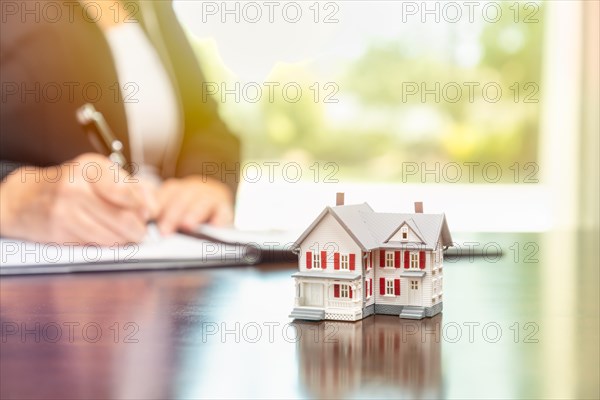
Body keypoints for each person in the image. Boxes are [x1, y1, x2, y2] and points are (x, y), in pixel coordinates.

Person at [0, 0, 240, 245]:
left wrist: (206, 181)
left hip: (166, 250)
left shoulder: (153, 8)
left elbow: (208, 127)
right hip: (37, 265)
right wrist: (10, 201)